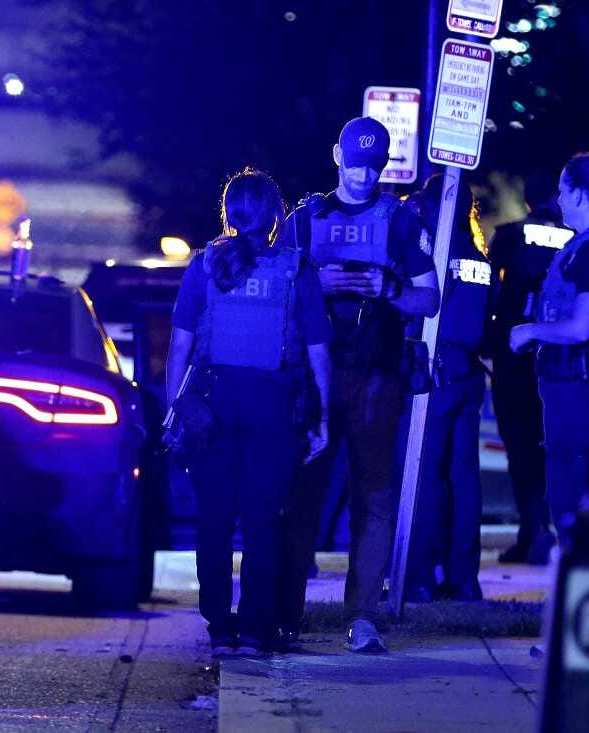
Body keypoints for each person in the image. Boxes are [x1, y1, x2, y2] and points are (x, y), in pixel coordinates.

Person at [278, 117, 439, 654]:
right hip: (317, 379)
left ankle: (363, 617)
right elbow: (273, 294)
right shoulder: (305, 220)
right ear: (336, 156)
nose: (365, 174)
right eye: (356, 163)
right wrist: (313, 284)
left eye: (375, 164)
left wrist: (390, 287)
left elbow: (429, 298)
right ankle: (286, 614)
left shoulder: (399, 221)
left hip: (376, 376)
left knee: (373, 498)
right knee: (304, 498)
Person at [165, 169, 331, 656]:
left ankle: (219, 627)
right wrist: (323, 418)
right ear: (278, 216)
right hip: (273, 406)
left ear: (230, 215)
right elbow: (319, 350)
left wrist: (173, 408)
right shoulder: (296, 269)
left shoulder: (205, 265)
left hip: (212, 404)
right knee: (264, 521)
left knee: (214, 520)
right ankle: (257, 630)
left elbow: (180, 347)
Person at [403, 174, 495, 602]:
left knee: (425, 477)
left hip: (436, 373)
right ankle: (464, 579)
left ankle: (419, 576)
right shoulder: (480, 257)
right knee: (464, 479)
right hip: (468, 375)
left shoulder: (436, 255)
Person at [510, 152, 589, 547]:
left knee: (570, 482)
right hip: (571, 384)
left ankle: (575, 590)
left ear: (580, 194)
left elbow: (583, 326)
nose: (558, 199)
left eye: (564, 191)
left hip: (576, 384)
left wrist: (531, 331)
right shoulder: (581, 246)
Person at [488, 171, 565, 565]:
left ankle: (531, 532)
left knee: (520, 449)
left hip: (515, 356)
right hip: (559, 358)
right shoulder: (576, 238)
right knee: (556, 447)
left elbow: (492, 290)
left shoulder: (511, 235)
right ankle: (553, 531)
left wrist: (487, 341)